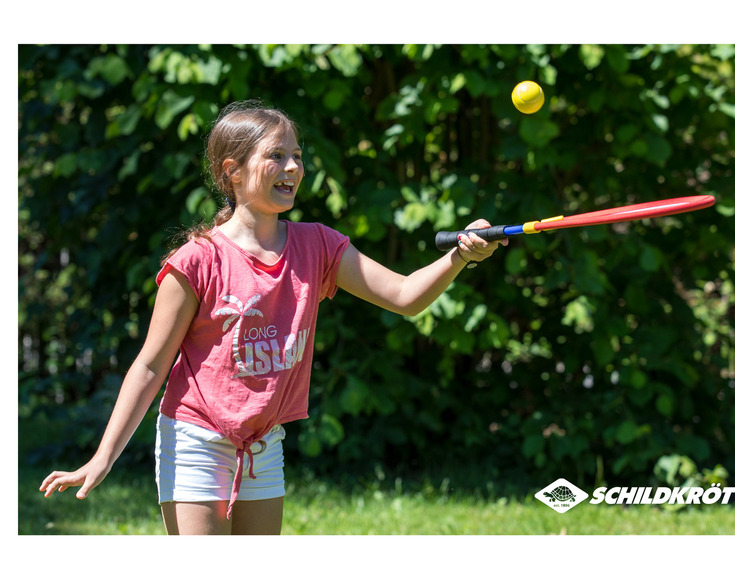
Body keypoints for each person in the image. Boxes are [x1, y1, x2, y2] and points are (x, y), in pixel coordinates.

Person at [39, 100, 507, 535]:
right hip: (196, 439)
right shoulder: (197, 260)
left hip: (264, 444)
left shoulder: (319, 245)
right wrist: (103, 457)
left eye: (298, 156)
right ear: (233, 171)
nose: (293, 168)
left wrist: (461, 257)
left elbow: (405, 295)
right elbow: (149, 366)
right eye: (277, 156)